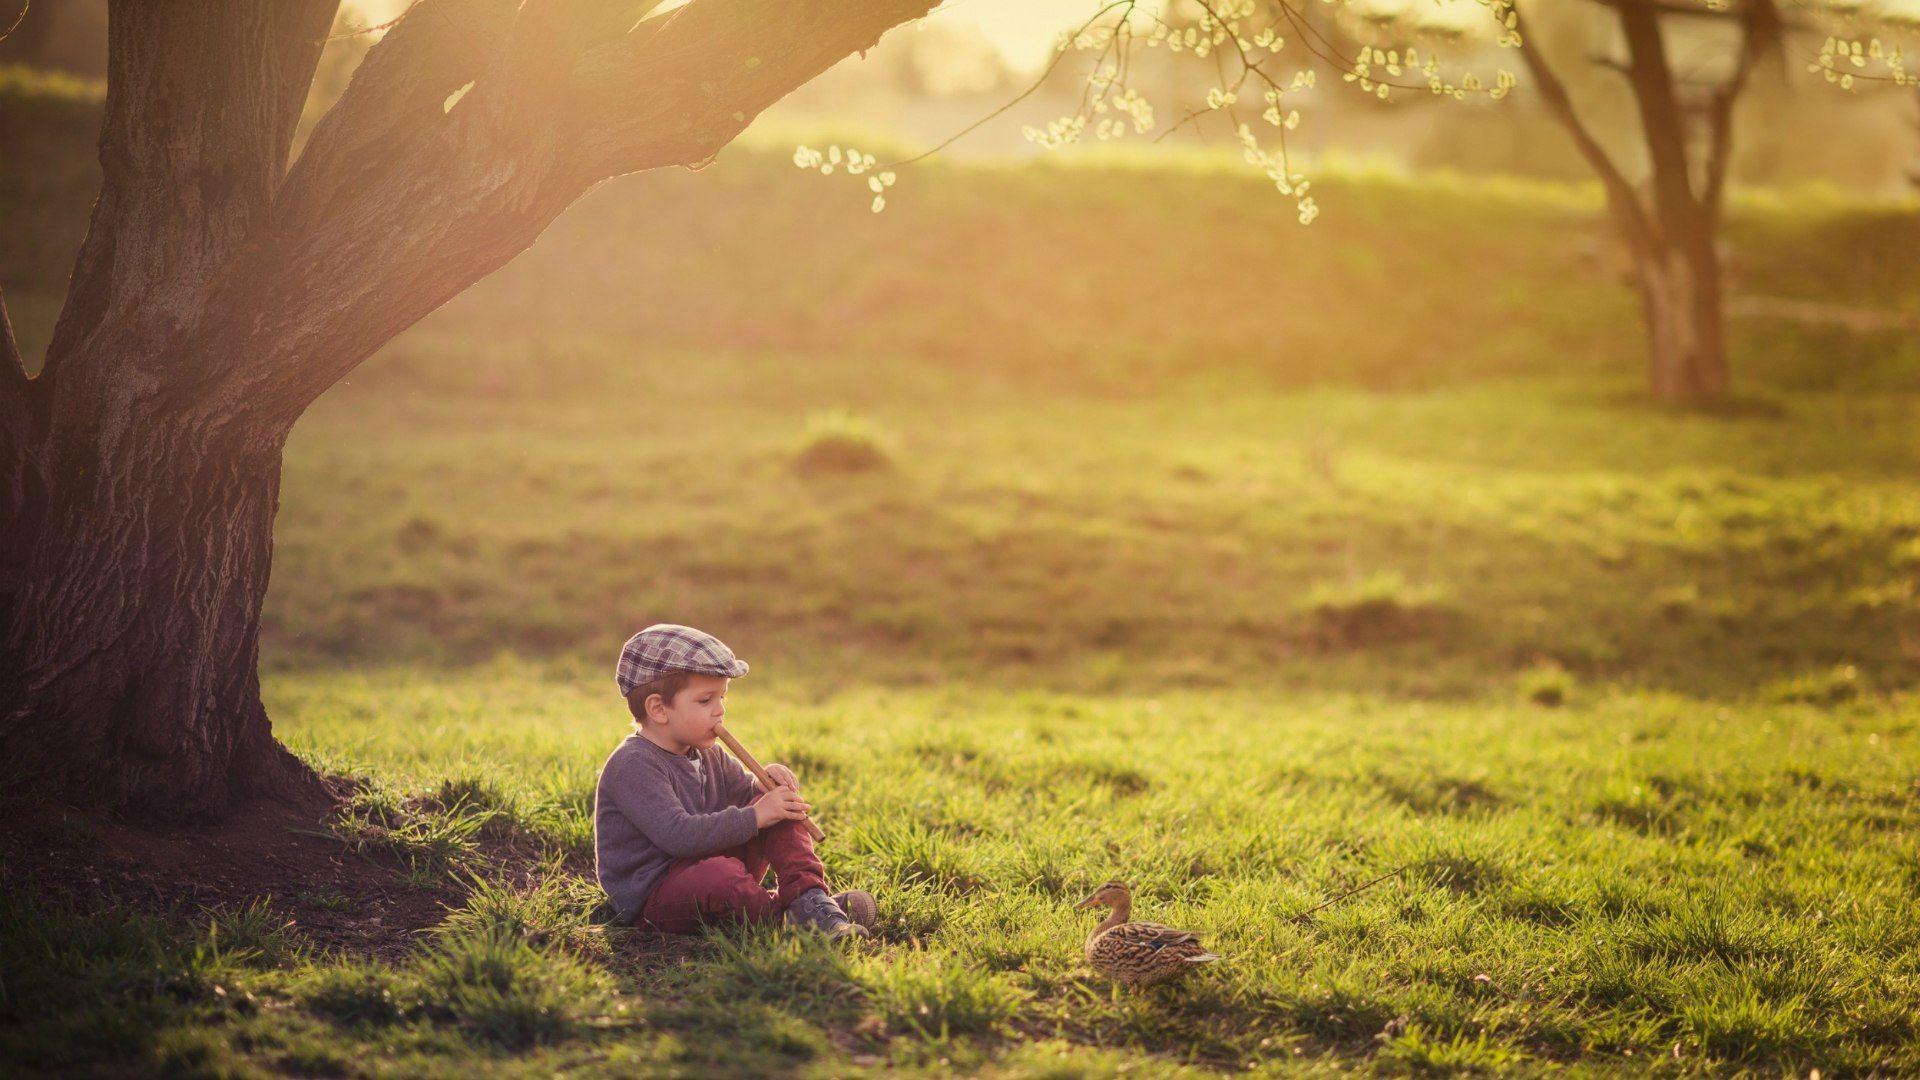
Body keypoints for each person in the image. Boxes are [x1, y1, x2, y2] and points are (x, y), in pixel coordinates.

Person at [593, 623, 874, 937]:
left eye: (722, 698)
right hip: (656, 896)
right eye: (706, 701)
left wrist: (765, 786)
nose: (720, 711)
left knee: (779, 812)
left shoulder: (706, 751)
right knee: (721, 874)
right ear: (659, 709)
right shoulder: (633, 765)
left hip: (709, 863)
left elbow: (745, 795)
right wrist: (757, 814)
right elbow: (678, 836)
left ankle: (810, 900)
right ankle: (785, 922)